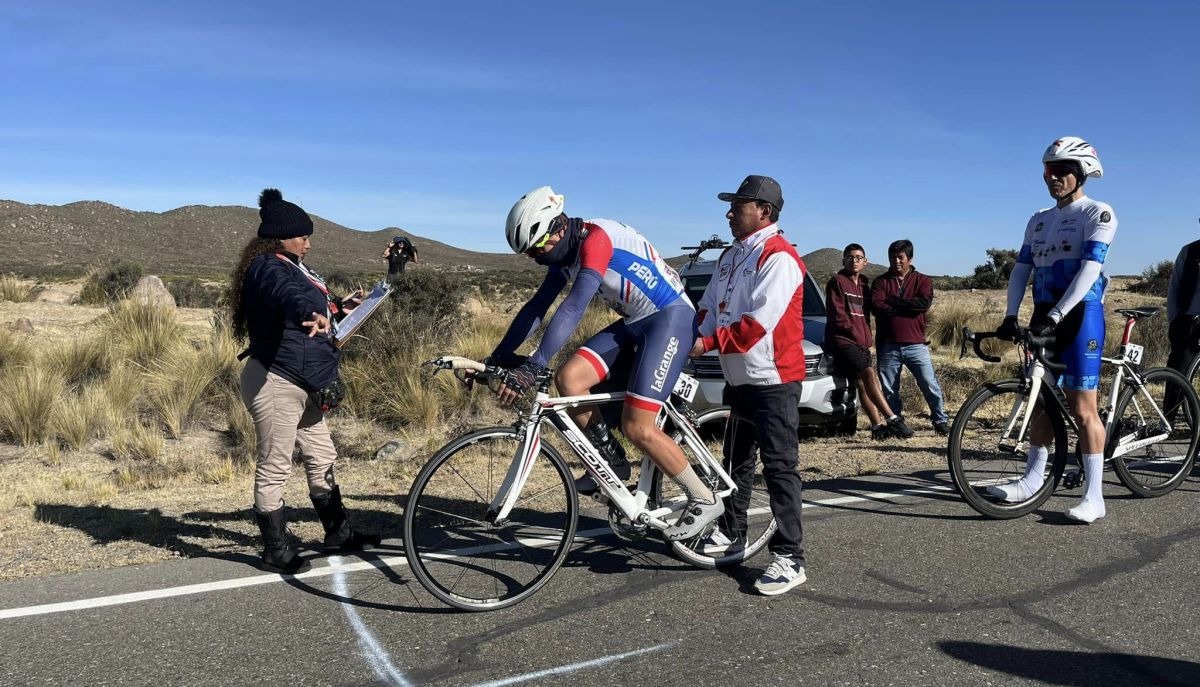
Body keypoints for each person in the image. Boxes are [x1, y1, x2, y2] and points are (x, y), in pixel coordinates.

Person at [489, 185, 718, 541]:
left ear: (559, 227)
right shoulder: (565, 254)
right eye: (527, 254)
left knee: (638, 426)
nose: (535, 258)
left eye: (536, 248)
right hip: (635, 322)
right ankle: (611, 461)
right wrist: (500, 354)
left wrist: (534, 364)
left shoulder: (596, 239)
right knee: (570, 380)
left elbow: (574, 307)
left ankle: (703, 497)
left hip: (669, 318)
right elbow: (536, 307)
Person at [230, 188, 380, 574]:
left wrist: (336, 308)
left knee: (322, 456)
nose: (308, 244)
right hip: (277, 382)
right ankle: (275, 548)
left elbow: (304, 300)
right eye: (303, 237)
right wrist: (311, 308)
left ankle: (338, 533)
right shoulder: (268, 268)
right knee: (275, 464)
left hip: (306, 383)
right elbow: (289, 296)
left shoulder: (292, 264)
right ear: (280, 236)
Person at [690, 175, 807, 596]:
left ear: (764, 211)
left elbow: (756, 326)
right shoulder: (730, 256)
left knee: (779, 467)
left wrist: (705, 343)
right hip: (738, 378)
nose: (729, 212)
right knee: (735, 460)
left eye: (737, 205)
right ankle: (731, 531)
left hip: (773, 380)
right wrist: (691, 333)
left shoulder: (780, 258)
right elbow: (707, 308)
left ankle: (790, 557)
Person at [994, 136, 1117, 524]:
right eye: (1048, 170)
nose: (1053, 177)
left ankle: (1094, 497)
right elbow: (1021, 270)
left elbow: (1090, 270)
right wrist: (1012, 314)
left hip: (1080, 317)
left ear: (1081, 173)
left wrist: (1060, 313)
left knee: (1083, 408)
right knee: (1043, 398)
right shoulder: (1039, 219)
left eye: (1062, 170)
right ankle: (1032, 479)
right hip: (1046, 313)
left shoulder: (1097, 212)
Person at [824, 243, 914, 440]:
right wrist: (856, 334)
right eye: (849, 257)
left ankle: (876, 427)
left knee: (861, 383)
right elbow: (838, 316)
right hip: (844, 341)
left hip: (861, 342)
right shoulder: (837, 282)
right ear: (843, 260)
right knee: (869, 373)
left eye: (858, 257)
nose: (854, 261)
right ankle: (893, 419)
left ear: (865, 262)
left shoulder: (864, 284)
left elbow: (871, 311)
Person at [871, 239, 950, 435]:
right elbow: (877, 307)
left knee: (929, 384)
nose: (896, 261)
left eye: (900, 257)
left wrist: (893, 301)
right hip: (888, 344)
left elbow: (922, 304)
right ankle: (896, 423)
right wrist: (907, 305)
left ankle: (940, 420)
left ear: (910, 258)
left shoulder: (923, 280)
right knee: (890, 389)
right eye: (892, 257)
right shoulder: (881, 281)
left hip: (916, 344)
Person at [1165, 219, 1200, 381]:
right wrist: (1174, 319)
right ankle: (1170, 408)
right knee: (1178, 376)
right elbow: (1175, 286)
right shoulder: (1189, 251)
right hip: (1187, 322)